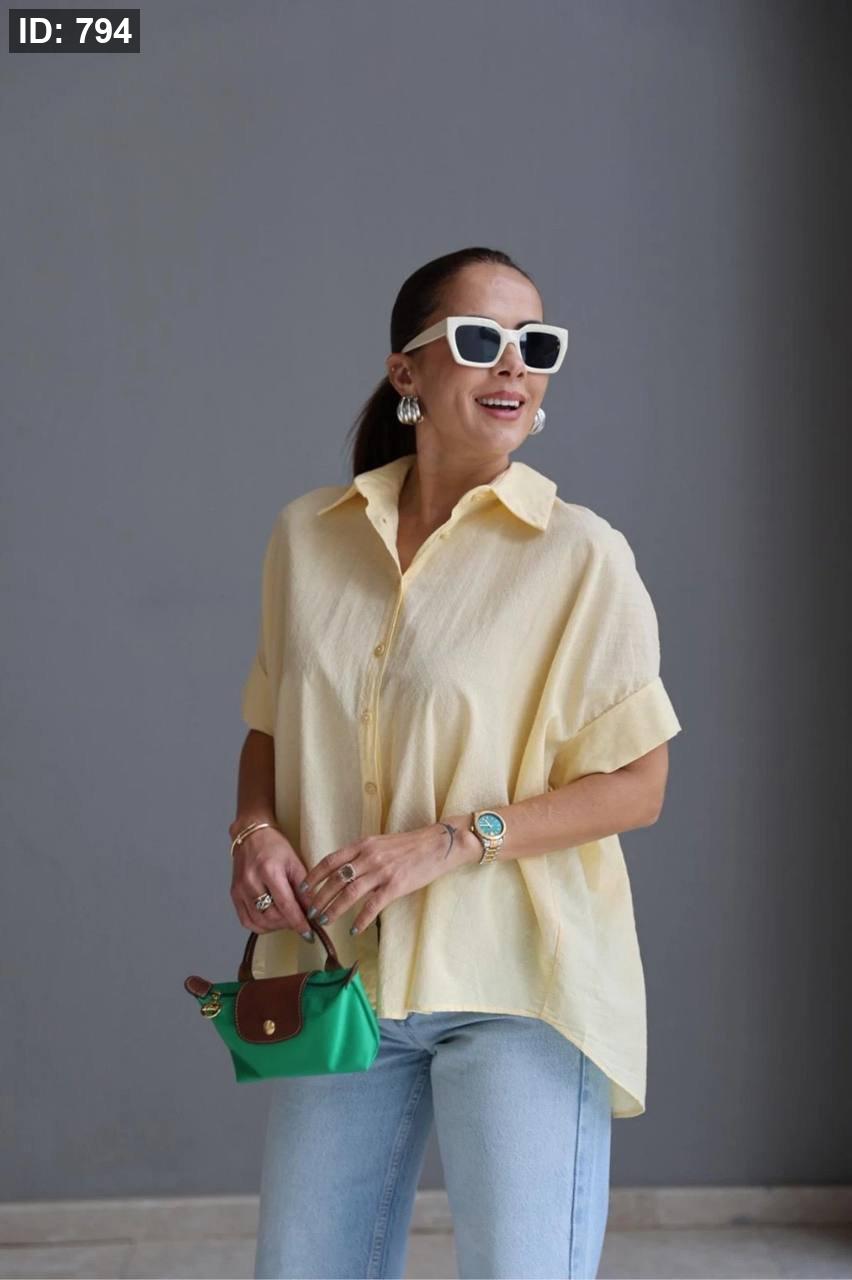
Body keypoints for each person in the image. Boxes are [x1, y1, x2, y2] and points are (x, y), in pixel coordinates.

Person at [229, 246, 682, 1280]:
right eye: (481, 340)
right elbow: (270, 723)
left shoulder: (581, 555)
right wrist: (254, 830)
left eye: (536, 345)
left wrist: (448, 841)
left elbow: (639, 784)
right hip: (342, 977)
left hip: (520, 978)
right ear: (408, 372)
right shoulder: (308, 537)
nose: (514, 364)